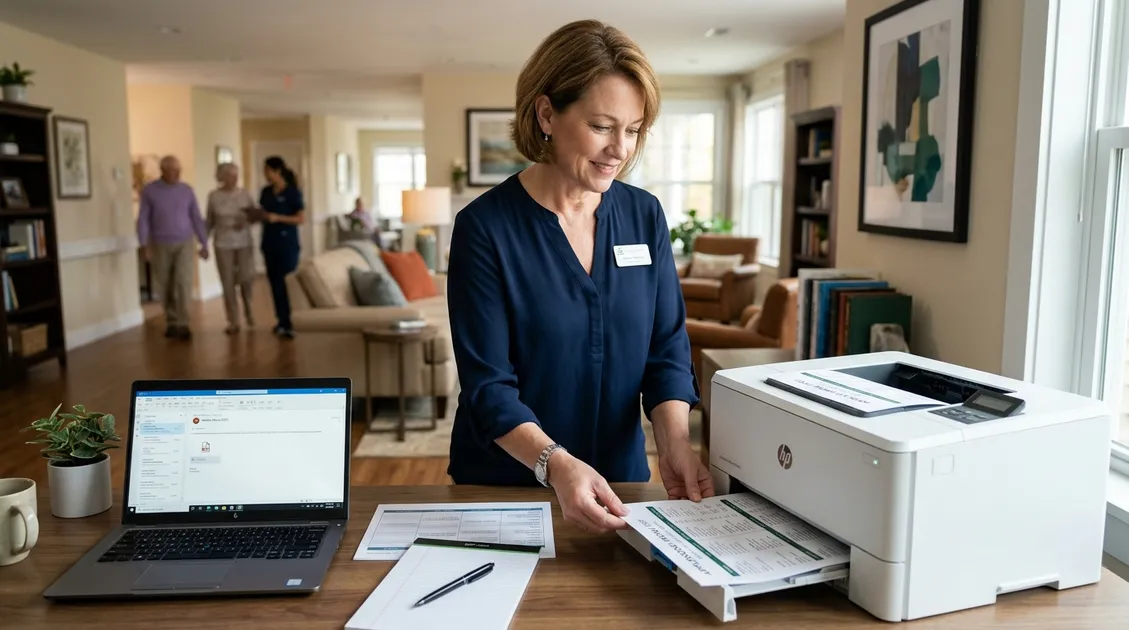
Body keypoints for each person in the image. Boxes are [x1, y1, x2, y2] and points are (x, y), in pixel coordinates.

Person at [445, 19, 712, 534]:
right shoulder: (484, 228)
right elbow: (488, 387)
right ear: (547, 113)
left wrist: (675, 443)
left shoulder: (644, 216)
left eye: (633, 130)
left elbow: (665, 349)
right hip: (508, 484)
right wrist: (555, 465)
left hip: (622, 485)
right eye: (601, 126)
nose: (621, 149)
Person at [137, 155, 209, 340]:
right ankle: (171, 321)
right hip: (160, 242)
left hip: (185, 241)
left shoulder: (187, 190)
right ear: (163, 171)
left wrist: (204, 242)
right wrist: (144, 244)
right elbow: (143, 218)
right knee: (166, 283)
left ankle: (183, 323)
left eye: (179, 171)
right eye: (173, 171)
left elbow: (196, 216)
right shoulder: (150, 191)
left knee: (183, 282)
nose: (177, 174)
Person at [206, 163, 257, 334]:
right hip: (222, 243)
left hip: (244, 242)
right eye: (230, 175)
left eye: (236, 175)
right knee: (227, 282)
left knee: (246, 278)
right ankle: (233, 321)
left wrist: (246, 221)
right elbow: (209, 221)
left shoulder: (245, 194)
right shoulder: (213, 196)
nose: (234, 179)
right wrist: (203, 243)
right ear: (221, 177)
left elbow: (255, 215)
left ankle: (249, 311)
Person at [258, 156, 304, 338]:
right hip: (269, 243)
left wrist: (278, 218)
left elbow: (300, 218)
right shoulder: (266, 192)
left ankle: (293, 321)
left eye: (267, 170)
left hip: (288, 244)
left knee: (288, 283)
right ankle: (281, 320)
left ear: (277, 171)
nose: (265, 174)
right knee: (274, 284)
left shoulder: (293, 193)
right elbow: (263, 212)